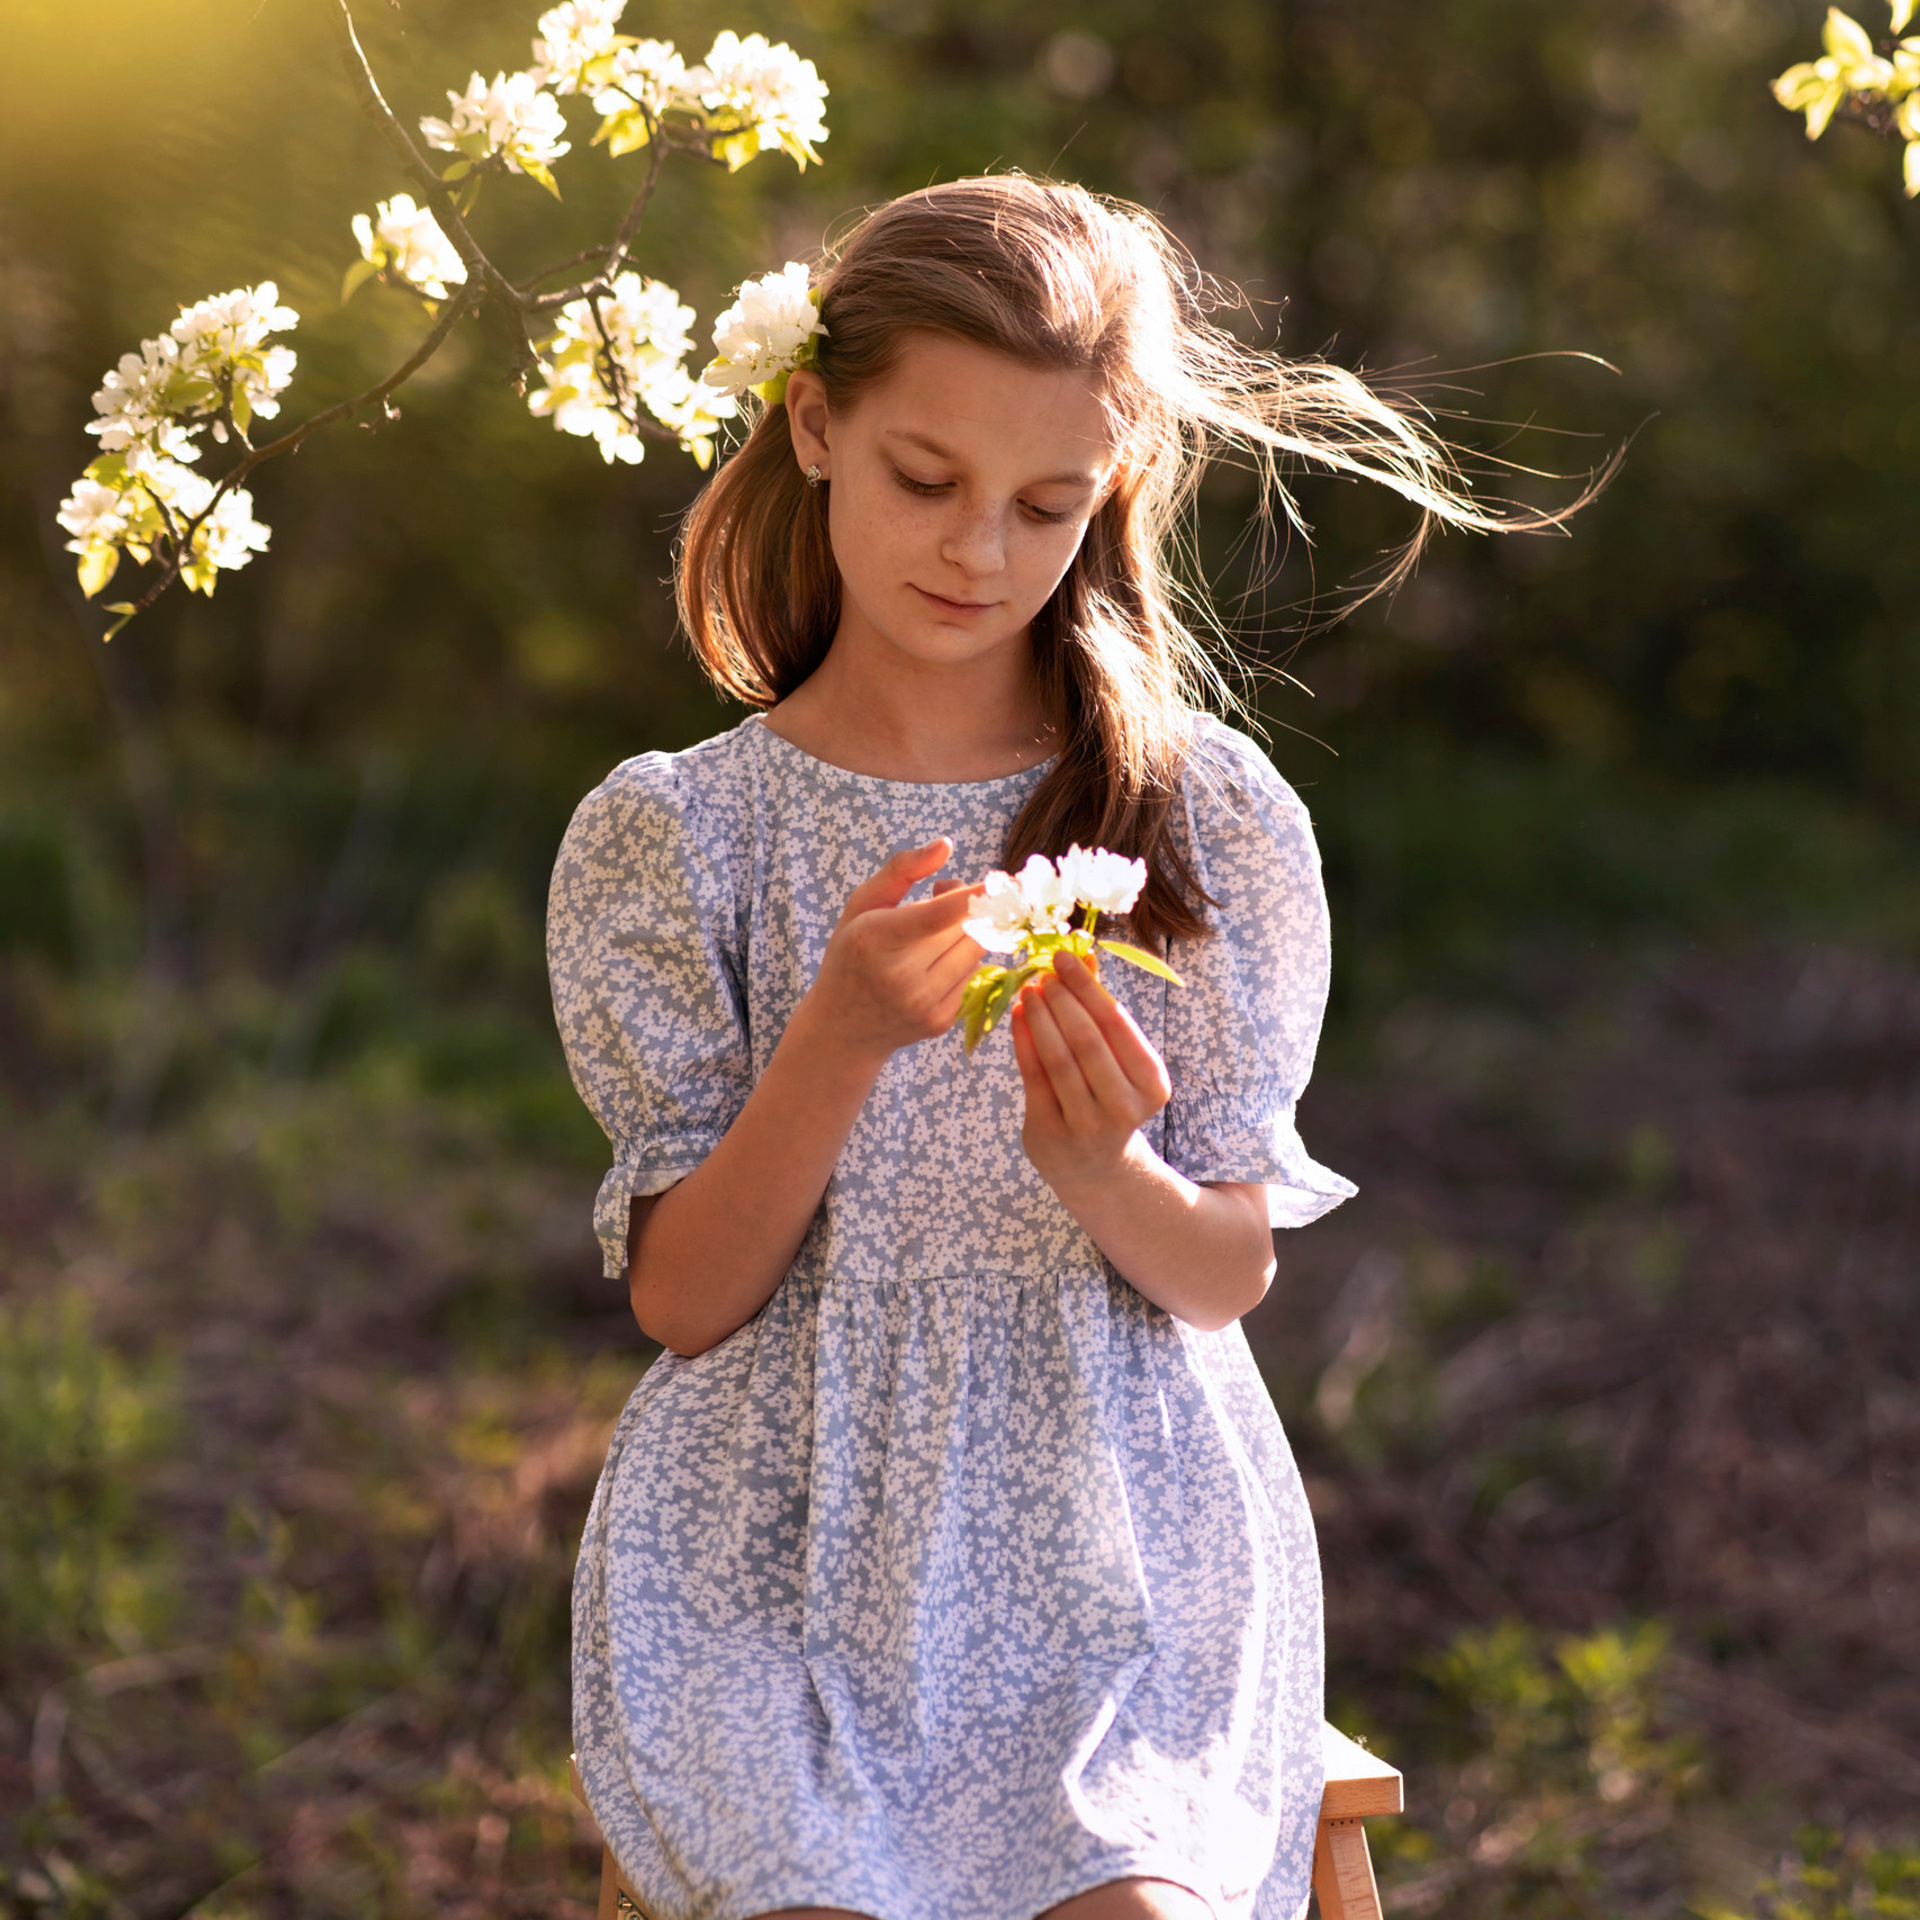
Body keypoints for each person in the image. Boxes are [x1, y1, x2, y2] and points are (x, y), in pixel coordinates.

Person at [547, 173, 1585, 1920]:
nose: (977, 552)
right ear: (816, 426)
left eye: (1045, 504)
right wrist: (839, 1040)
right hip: (774, 1561)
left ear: (1110, 489)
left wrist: (1104, 1169)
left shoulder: (1198, 819)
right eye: (926, 481)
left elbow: (1223, 1273)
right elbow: (684, 1302)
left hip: (1123, 1556)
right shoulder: (681, 835)